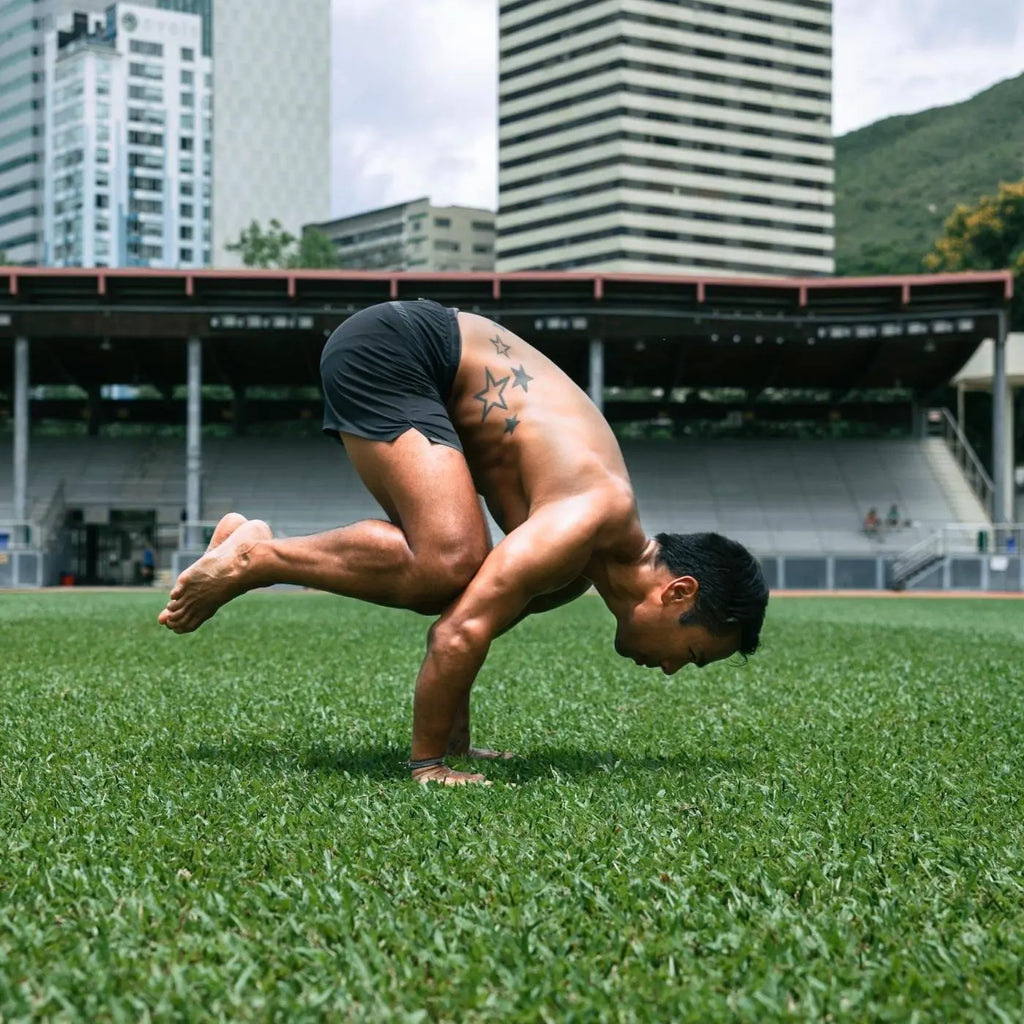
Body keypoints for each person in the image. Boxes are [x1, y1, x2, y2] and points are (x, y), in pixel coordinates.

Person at [158, 299, 769, 785]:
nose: (668, 670)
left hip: (422, 359)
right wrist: (430, 766)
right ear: (676, 591)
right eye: (688, 655)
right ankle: (254, 557)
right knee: (449, 561)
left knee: (458, 575)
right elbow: (457, 634)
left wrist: (458, 742)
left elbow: (471, 620)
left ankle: (251, 547)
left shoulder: (581, 562)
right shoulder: (586, 520)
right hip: (398, 350)